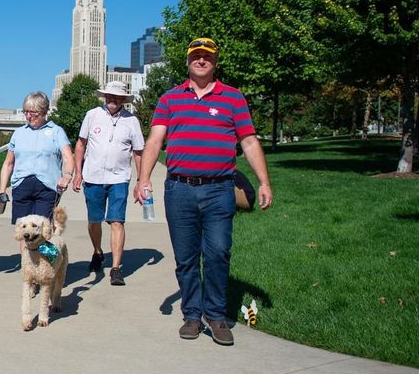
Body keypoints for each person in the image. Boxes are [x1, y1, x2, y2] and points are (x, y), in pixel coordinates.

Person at [134, 38, 273, 346]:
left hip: (219, 189)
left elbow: (248, 141)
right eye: (195, 56)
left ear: (214, 62)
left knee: (218, 253)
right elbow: (155, 141)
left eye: (206, 56)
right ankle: (193, 316)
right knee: (186, 258)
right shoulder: (170, 99)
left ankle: (217, 315)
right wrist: (143, 179)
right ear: (188, 62)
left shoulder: (233, 98)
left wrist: (264, 182)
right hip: (179, 189)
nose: (201, 60)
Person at [73, 80, 144, 286]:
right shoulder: (92, 115)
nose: (113, 100)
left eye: (117, 97)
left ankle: (115, 268)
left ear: (123, 99)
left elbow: (139, 152)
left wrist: (141, 180)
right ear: (105, 97)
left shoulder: (131, 121)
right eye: (110, 96)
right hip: (93, 176)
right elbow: (81, 144)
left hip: (119, 178)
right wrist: (78, 172)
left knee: (116, 221)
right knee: (94, 220)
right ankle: (97, 251)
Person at [0, 91, 74, 222]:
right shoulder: (19, 133)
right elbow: (8, 163)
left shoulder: (56, 131)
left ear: (44, 112)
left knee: (41, 229)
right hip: (21, 186)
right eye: (25, 112)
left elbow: (67, 157)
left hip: (47, 187)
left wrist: (67, 176)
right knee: (23, 230)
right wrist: (1, 190)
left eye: (33, 113)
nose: (28, 116)